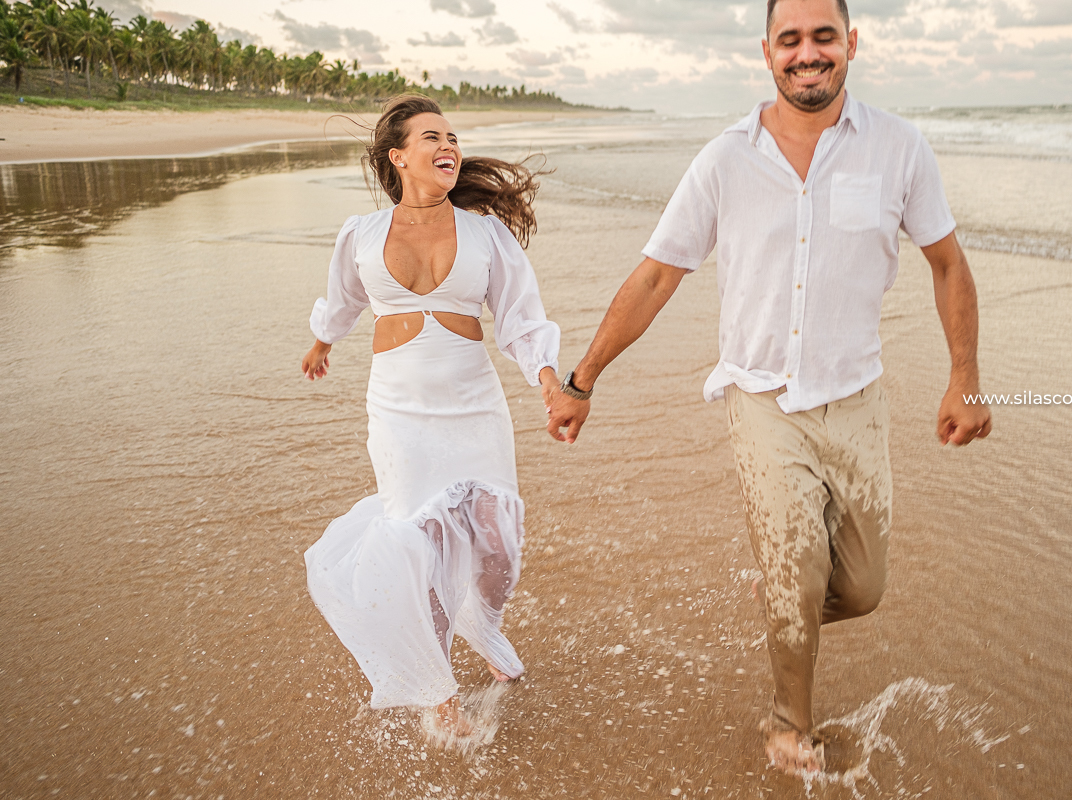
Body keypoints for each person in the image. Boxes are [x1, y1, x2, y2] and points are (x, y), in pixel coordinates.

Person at [546, 0, 992, 777]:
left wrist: (966, 379)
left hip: (857, 399)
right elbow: (658, 274)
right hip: (761, 400)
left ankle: (789, 591)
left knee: (862, 588)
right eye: (791, 40)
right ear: (767, 52)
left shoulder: (898, 148)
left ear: (851, 43)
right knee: (793, 585)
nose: (807, 53)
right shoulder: (725, 159)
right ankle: (791, 728)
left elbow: (948, 262)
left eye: (824, 37)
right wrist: (583, 378)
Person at [301, 95, 561, 736]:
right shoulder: (360, 234)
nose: (449, 145)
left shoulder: (486, 234)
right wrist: (321, 341)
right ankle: (437, 690)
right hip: (398, 412)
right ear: (398, 157)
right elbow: (342, 300)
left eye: (453, 136)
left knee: (498, 538)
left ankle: (484, 620)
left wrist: (551, 385)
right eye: (432, 137)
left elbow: (522, 320)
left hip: (474, 406)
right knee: (418, 542)